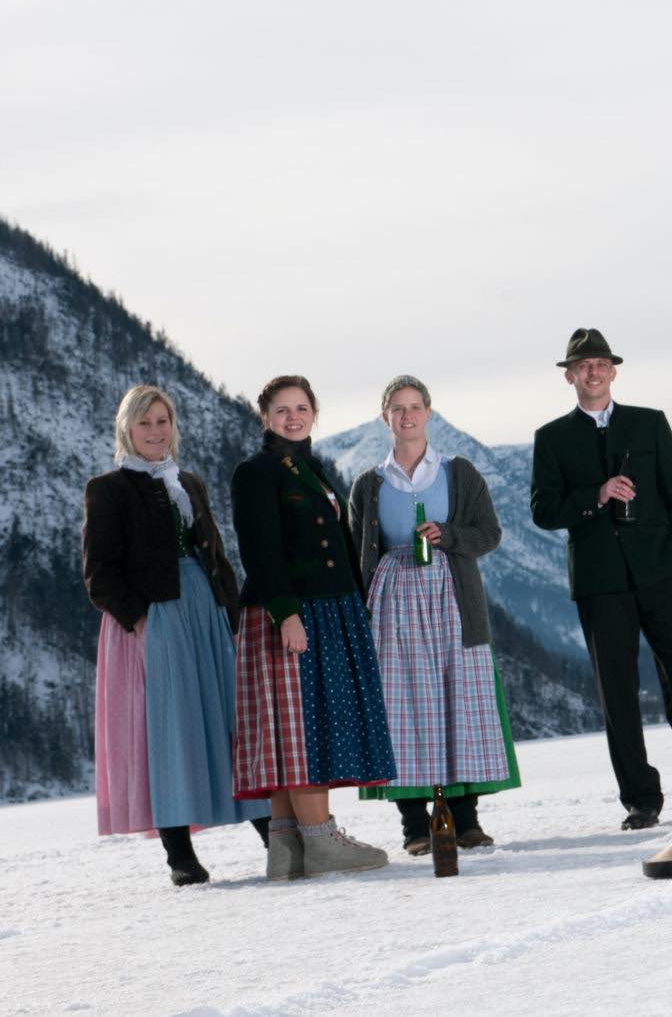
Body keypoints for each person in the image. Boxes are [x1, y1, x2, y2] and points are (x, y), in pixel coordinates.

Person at [530, 328, 672, 830]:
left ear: (613, 371)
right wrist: (597, 494)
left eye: (600, 363)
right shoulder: (552, 438)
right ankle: (641, 799)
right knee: (618, 693)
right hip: (599, 582)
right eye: (583, 365)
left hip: (660, 573)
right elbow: (543, 511)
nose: (593, 372)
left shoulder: (649, 423)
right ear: (569, 376)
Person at [81, 385, 269, 885]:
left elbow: (216, 554)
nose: (155, 431)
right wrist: (140, 619)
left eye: (162, 421)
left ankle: (274, 835)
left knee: (228, 721)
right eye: (144, 422)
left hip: (204, 611)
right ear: (127, 429)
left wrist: (231, 614)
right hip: (154, 616)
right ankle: (179, 855)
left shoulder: (188, 482)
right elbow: (99, 572)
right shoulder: (108, 488)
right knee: (168, 729)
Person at [230, 375, 395, 878]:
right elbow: (260, 549)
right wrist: (287, 614)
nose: (293, 417)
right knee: (304, 726)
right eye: (282, 410)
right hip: (295, 611)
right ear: (265, 417)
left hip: (328, 608)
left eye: (301, 408)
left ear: (314, 413)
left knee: (295, 726)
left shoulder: (309, 468)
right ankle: (321, 841)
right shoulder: (256, 471)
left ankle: (287, 847)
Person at [349, 376, 520, 855]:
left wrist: (449, 534)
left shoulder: (458, 472)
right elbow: (358, 553)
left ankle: (466, 820)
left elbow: (489, 533)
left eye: (415, 407)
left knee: (456, 699)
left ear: (428, 412)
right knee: (401, 706)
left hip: (452, 596)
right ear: (384, 416)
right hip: (392, 599)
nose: (406, 416)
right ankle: (414, 825)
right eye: (397, 408)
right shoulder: (369, 483)